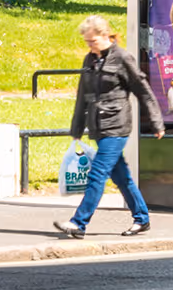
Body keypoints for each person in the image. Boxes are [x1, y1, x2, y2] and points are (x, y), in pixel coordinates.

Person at [55, 15, 164, 239]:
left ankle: (79, 222)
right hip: (98, 126)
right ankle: (142, 218)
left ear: (105, 36)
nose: (90, 47)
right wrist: (77, 129)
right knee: (122, 177)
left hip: (117, 126)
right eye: (87, 42)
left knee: (97, 175)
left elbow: (142, 89)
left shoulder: (122, 58)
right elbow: (82, 97)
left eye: (93, 41)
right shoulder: (90, 59)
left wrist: (156, 121)